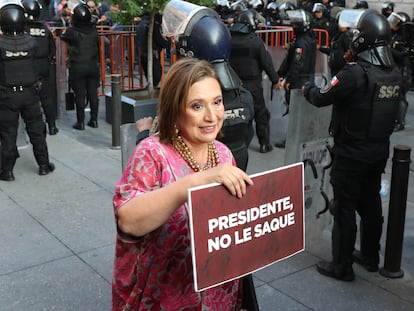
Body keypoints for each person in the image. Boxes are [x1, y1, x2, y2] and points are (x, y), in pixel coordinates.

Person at [112, 58, 253, 310]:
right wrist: (196, 182)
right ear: (175, 109)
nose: (212, 116)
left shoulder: (222, 153)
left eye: (217, 102)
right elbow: (128, 220)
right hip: (166, 296)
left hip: (218, 294)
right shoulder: (151, 153)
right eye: (197, 106)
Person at [302, 9, 403, 281]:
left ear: (365, 38)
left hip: (351, 152)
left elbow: (323, 96)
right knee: (370, 202)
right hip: (378, 150)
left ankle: (342, 265)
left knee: (344, 207)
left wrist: (306, 88)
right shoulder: (393, 71)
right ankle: (370, 256)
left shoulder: (354, 73)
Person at [0, 2, 55, 181]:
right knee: (37, 131)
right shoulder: (30, 42)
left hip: (7, 95)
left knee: (8, 134)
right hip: (30, 93)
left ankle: (7, 171)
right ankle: (44, 165)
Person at [229, 8, 281, 153]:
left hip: (234, 84)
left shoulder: (229, 39)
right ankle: (264, 144)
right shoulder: (255, 42)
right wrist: (275, 80)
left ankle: (239, 143)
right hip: (253, 85)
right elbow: (267, 63)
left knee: (237, 113)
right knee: (260, 114)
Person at [276, 8, 317, 147]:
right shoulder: (309, 39)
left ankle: (292, 139)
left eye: (296, 24)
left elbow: (297, 64)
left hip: (299, 80)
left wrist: (289, 80)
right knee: (301, 111)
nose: (294, 26)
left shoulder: (301, 42)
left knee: (295, 112)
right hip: (306, 78)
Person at [60, 2, 100, 130]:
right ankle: (94, 120)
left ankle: (80, 122)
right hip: (93, 65)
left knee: (80, 95)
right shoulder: (94, 30)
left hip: (78, 65)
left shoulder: (72, 31)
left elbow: (63, 37)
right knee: (93, 93)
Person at [22, 0, 59, 135]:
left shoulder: (21, 29)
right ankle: (52, 126)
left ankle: (33, 128)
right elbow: (52, 50)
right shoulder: (45, 29)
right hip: (44, 67)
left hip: (28, 67)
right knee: (47, 98)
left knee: (30, 100)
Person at [388, 12, 412, 131]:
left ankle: (400, 122)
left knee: (400, 97)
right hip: (395, 69)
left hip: (403, 71)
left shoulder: (404, 39)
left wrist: (389, 49)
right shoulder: (394, 35)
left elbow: (403, 56)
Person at [135, 12, 169, 88]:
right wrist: (167, 44)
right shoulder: (153, 25)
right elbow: (158, 38)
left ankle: (150, 88)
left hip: (143, 53)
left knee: (151, 77)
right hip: (152, 54)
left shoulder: (141, 24)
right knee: (156, 76)